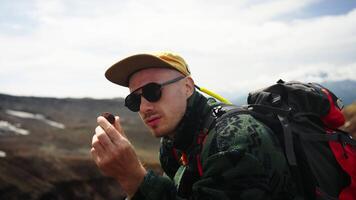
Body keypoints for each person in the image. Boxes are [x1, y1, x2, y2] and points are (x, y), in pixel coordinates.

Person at [91, 52, 297, 199]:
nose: (144, 107)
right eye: (134, 100)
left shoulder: (234, 141)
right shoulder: (172, 143)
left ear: (188, 87)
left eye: (153, 91)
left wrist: (133, 177)